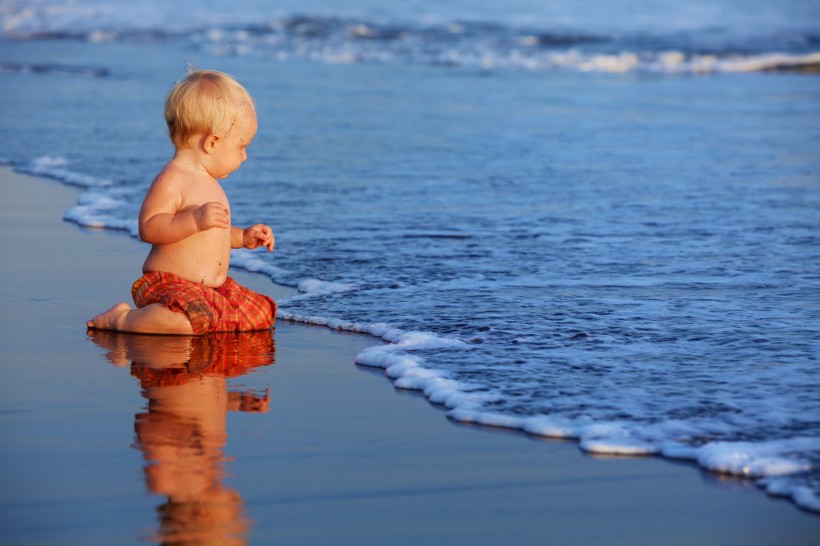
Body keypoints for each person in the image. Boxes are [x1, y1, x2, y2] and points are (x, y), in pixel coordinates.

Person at [87, 69, 276, 335]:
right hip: (168, 284)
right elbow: (149, 228)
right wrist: (194, 220)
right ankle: (121, 319)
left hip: (208, 289)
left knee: (259, 313)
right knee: (187, 322)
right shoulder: (172, 178)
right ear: (212, 142)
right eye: (241, 147)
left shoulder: (211, 184)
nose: (244, 156)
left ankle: (197, 318)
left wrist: (243, 237)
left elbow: (213, 235)